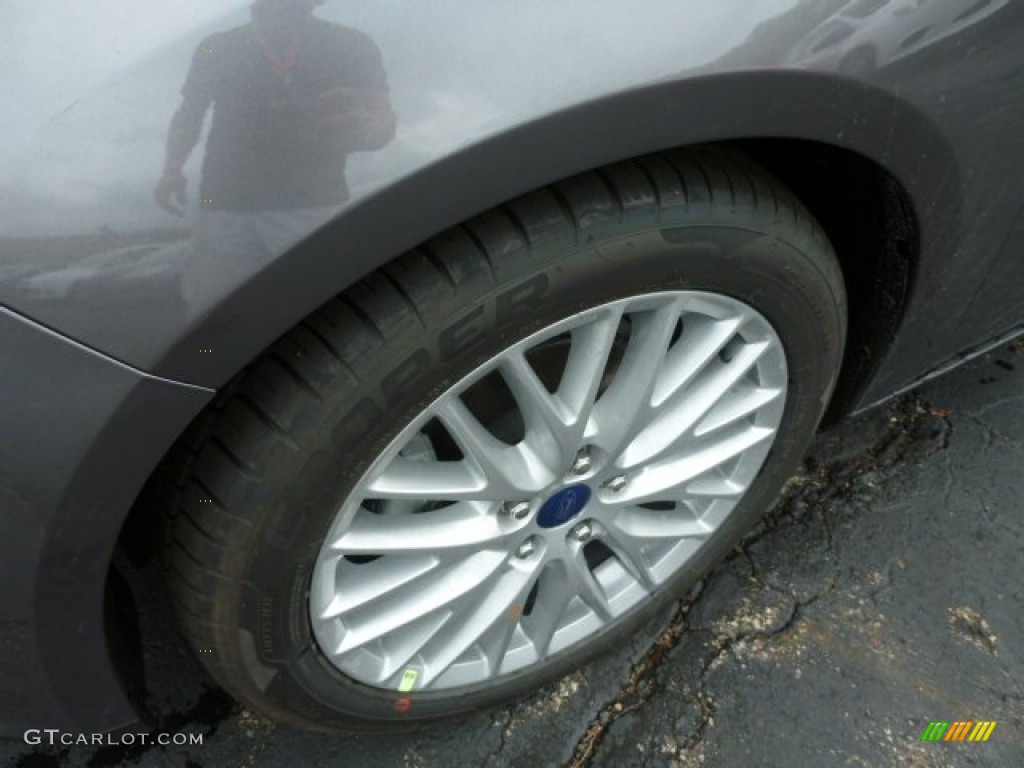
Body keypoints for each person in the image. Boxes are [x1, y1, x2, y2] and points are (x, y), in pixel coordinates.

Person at [155, 0, 395, 215]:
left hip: (315, 203)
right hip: (223, 205)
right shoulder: (212, 47)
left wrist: (367, 132)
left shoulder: (351, 43)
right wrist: (171, 171)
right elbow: (189, 113)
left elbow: (382, 119)